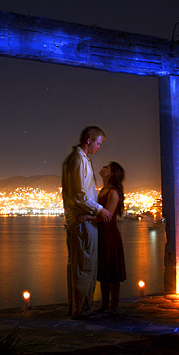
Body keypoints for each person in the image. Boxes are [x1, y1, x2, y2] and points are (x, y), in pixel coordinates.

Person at [61, 126, 112, 319]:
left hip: (78, 220)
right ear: (89, 140)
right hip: (83, 222)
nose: (99, 147)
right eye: (98, 143)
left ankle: (76, 307)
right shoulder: (78, 160)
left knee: (77, 264)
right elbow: (80, 194)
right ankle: (81, 310)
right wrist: (100, 210)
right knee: (85, 265)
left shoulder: (73, 160)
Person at [80, 162, 127, 315]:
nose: (104, 167)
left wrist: (87, 217)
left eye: (107, 167)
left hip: (110, 236)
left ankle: (113, 306)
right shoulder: (102, 191)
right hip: (101, 235)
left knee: (112, 272)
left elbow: (107, 217)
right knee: (104, 272)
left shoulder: (113, 193)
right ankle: (104, 305)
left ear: (111, 174)